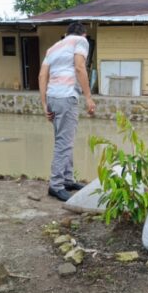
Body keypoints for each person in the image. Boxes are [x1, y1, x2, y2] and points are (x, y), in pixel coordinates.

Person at [39, 22, 96, 202]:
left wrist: (44, 104)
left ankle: (67, 179)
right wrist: (88, 97)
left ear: (66, 33)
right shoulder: (81, 41)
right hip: (66, 97)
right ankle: (56, 185)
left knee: (63, 139)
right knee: (65, 143)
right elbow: (80, 67)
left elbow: (42, 76)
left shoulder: (53, 47)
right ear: (84, 34)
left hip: (53, 97)